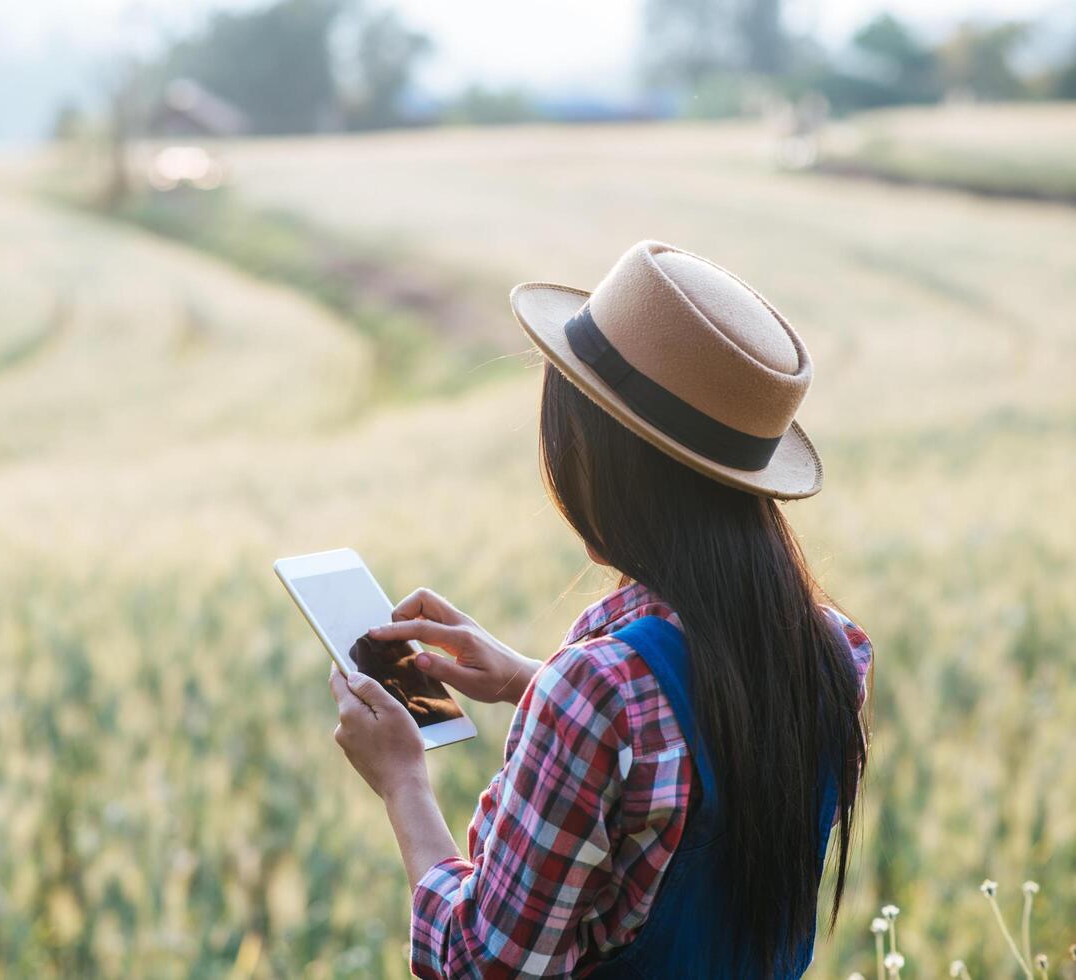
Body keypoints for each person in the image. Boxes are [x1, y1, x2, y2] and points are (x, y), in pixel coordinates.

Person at [328, 241, 874, 978]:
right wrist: (531, 680)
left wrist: (403, 782)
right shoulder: (835, 651)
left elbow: (483, 965)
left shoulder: (597, 693)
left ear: (593, 454)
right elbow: (698, 745)